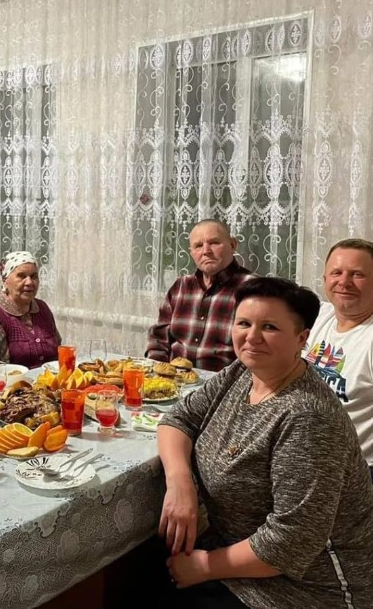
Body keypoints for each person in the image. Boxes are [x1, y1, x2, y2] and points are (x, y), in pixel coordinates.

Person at [156, 277, 373, 608]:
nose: (252, 337)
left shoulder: (307, 418)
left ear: (302, 338)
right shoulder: (244, 373)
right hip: (234, 553)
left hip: (301, 589)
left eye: (269, 327)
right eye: (244, 323)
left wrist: (204, 567)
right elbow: (179, 418)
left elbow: (290, 541)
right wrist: (180, 483)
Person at [145, 219, 253, 371]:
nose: (206, 251)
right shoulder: (181, 286)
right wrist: (158, 372)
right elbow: (158, 338)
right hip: (174, 379)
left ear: (233, 245)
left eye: (214, 243)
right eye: (198, 245)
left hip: (224, 382)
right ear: (191, 253)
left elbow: (256, 350)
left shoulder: (253, 290)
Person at [305, 238, 373, 478]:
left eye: (357, 274)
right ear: (325, 279)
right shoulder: (318, 315)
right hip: (306, 454)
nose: (344, 282)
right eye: (336, 273)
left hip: (354, 471)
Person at [0, 251, 61, 368]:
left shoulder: (42, 307)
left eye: (34, 276)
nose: (29, 282)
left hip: (51, 377)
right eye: (21, 276)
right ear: (5, 279)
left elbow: (59, 350)